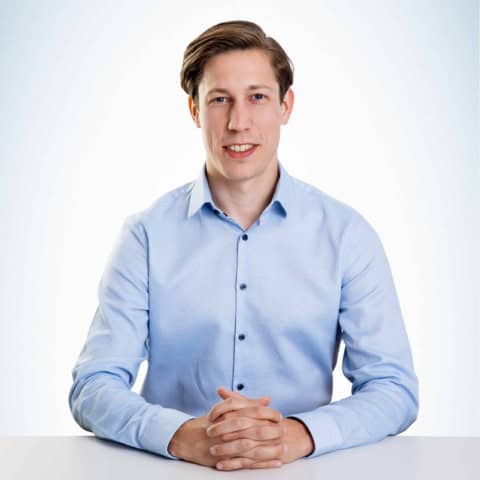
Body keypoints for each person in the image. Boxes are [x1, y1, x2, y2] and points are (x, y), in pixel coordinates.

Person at [68, 20, 419, 471]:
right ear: (194, 110)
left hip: (300, 471)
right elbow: (93, 384)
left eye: (257, 97)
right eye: (220, 100)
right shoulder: (145, 236)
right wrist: (179, 436)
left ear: (285, 106)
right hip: (174, 471)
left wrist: (298, 435)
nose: (238, 123)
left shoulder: (347, 235)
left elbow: (393, 387)